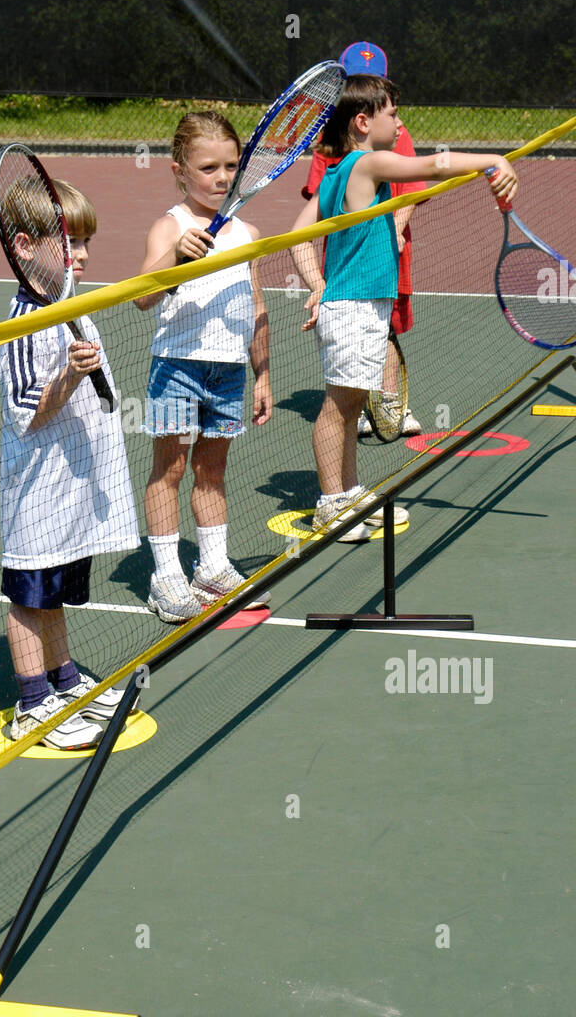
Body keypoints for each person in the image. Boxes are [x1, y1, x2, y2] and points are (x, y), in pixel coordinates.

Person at [290, 75, 517, 541]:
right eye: (391, 113)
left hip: (355, 304)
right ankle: (331, 503)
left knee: (352, 405)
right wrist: (495, 160)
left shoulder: (333, 173)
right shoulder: (367, 164)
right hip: (353, 308)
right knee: (338, 406)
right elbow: (434, 166)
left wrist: (318, 285)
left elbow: (298, 237)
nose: (399, 121)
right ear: (361, 121)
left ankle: (348, 491)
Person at [0, 179, 140, 750]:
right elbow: (25, 413)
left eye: (85, 241)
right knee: (30, 597)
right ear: (27, 245)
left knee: (52, 591)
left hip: (70, 489)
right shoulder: (26, 322)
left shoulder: (66, 302)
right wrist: (70, 376)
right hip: (38, 492)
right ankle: (32, 704)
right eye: (70, 242)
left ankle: (61, 678)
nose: (82, 254)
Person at [134, 111, 272, 622]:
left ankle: (212, 566)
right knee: (168, 470)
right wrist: (176, 258)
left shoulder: (248, 231)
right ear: (179, 170)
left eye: (230, 166)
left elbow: (256, 305)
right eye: (208, 167)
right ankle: (167, 576)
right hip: (178, 367)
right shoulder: (171, 226)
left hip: (230, 371)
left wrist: (263, 375)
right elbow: (141, 298)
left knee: (212, 470)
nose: (221, 177)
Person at [302, 41, 423, 435]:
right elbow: (319, 201)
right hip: (345, 262)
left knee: (386, 327)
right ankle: (359, 405)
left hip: (387, 253)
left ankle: (389, 402)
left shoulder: (394, 133)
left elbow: (413, 189)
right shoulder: (331, 140)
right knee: (350, 336)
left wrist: (399, 229)